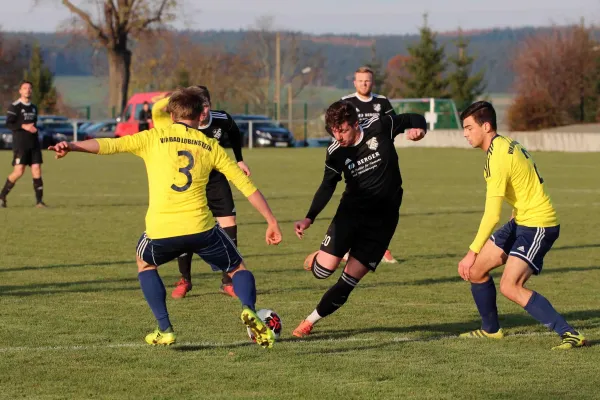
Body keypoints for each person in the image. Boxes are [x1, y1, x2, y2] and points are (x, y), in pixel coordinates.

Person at [48, 87, 283, 348]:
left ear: (172, 116)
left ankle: (165, 329)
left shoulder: (153, 137)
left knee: (145, 263)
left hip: (162, 230)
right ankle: (248, 309)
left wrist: (71, 145)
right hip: (202, 228)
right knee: (238, 268)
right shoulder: (210, 145)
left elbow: (108, 145)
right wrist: (271, 221)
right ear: (199, 116)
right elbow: (245, 185)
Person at [457, 101, 586, 350]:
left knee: (510, 285)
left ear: (486, 126)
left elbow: (492, 214)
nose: (465, 133)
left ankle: (570, 334)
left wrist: (471, 251)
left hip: (539, 224)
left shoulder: (498, 158)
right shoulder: (503, 145)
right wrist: (517, 211)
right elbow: (525, 180)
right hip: (522, 219)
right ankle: (490, 330)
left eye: (469, 127)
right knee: (477, 272)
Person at [292, 100, 426, 337]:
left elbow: (415, 118)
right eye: (333, 131)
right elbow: (327, 185)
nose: (338, 136)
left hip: (382, 222)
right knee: (322, 272)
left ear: (355, 124)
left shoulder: (380, 126)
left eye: (342, 130)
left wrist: (419, 129)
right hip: (350, 215)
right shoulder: (335, 151)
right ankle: (322, 257)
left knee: (348, 281)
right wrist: (309, 218)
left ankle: (309, 321)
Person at [172, 86, 251, 299]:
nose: (204, 111)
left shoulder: (221, 119)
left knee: (229, 227)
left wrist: (239, 159)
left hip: (216, 180)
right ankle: (185, 279)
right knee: (185, 229)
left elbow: (235, 132)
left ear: (210, 104)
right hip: (192, 183)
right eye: (200, 106)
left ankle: (227, 281)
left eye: (206, 105)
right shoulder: (185, 122)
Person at [341, 66, 397, 263]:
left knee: (382, 206)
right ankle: (347, 248)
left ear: (372, 82)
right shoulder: (346, 103)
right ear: (355, 82)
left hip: (381, 164)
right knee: (357, 205)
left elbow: (393, 125)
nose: (364, 83)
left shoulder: (382, 102)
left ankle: (382, 248)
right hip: (357, 164)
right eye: (360, 80)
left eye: (367, 80)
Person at [0, 80, 46, 208]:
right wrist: (23, 126)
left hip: (34, 144)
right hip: (21, 144)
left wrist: (35, 131)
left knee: (37, 170)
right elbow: (9, 124)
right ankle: (2, 196)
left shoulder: (33, 107)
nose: (28, 90)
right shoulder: (15, 106)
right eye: (25, 88)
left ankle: (39, 202)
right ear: (20, 91)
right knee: (19, 171)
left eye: (30, 88)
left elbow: (33, 124)